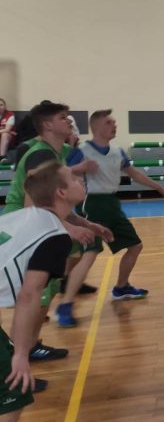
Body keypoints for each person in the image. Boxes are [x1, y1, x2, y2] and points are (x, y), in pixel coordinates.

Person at [2, 102, 111, 366]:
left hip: (40, 222)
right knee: (34, 293)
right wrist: (70, 228)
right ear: (48, 125)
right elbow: (34, 204)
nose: (69, 121)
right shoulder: (40, 155)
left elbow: (56, 202)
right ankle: (21, 353)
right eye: (63, 117)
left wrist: (86, 224)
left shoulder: (57, 151)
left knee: (46, 285)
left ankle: (29, 345)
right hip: (24, 227)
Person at [58, 110, 164, 327]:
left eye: (114, 122)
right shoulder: (82, 151)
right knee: (90, 253)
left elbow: (134, 173)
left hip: (112, 204)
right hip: (91, 204)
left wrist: (159, 187)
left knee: (135, 246)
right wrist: (77, 174)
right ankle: (65, 304)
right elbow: (63, 173)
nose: (114, 125)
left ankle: (121, 287)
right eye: (109, 122)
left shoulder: (117, 151)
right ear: (96, 127)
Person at [0, 162, 84, 417]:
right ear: (61, 192)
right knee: (15, 390)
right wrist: (22, 355)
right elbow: (29, 296)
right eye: (73, 178)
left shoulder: (24, 216)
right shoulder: (54, 236)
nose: (80, 179)